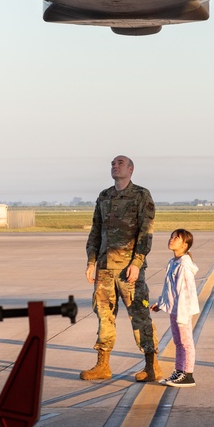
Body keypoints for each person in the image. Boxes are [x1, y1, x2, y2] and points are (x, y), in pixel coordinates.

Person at [82, 155, 159, 381]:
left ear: (131, 169)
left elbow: (146, 233)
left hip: (129, 271)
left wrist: (137, 263)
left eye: (120, 163)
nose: (115, 167)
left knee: (140, 316)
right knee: (104, 316)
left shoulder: (141, 195)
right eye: (113, 164)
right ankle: (102, 365)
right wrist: (91, 261)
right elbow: (96, 231)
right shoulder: (104, 196)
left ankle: (151, 365)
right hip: (105, 269)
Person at [151, 229, 200, 387]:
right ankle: (179, 371)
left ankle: (188, 374)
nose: (171, 240)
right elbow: (168, 288)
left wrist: (182, 316)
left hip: (182, 311)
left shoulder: (184, 266)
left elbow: (185, 293)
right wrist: (161, 303)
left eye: (176, 238)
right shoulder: (173, 262)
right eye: (171, 237)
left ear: (185, 245)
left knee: (186, 342)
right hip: (174, 310)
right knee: (178, 342)